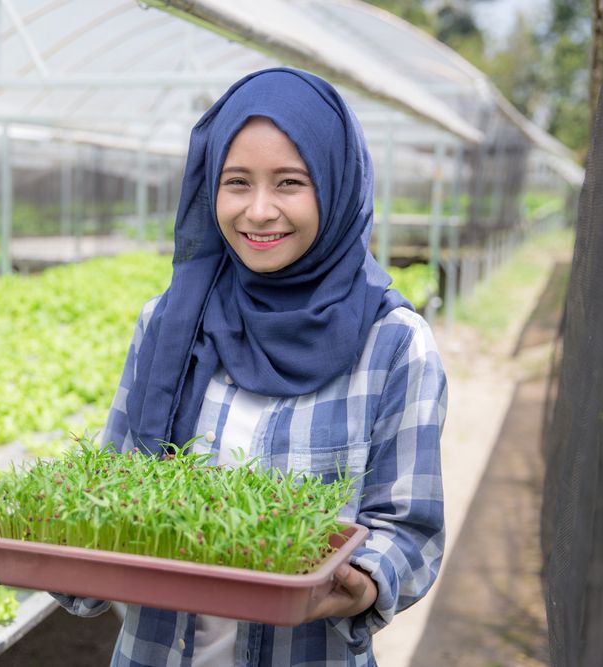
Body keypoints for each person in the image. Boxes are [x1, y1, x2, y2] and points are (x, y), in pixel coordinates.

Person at [52, 67, 447, 666]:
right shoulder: (169, 322)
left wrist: (358, 583)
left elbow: (408, 526)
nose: (259, 211)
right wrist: (60, 541)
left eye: (290, 182)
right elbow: (117, 479)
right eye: (237, 182)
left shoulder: (393, 344)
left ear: (337, 186)